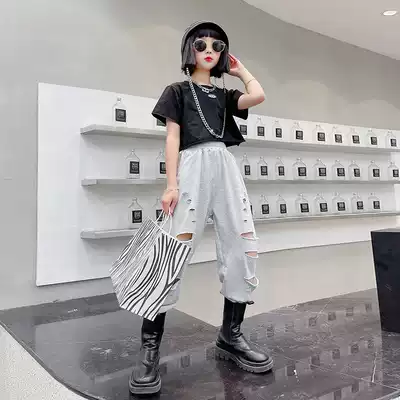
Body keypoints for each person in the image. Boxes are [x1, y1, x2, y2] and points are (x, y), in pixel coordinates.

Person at [129, 21, 273, 395]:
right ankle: (149, 349)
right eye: (201, 44)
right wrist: (171, 184)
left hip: (224, 166)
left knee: (243, 243)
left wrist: (240, 69)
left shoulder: (225, 96)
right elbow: (172, 138)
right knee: (172, 250)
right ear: (189, 50)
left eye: (217, 46)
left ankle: (231, 335)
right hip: (191, 166)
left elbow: (258, 95)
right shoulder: (177, 91)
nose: (209, 50)